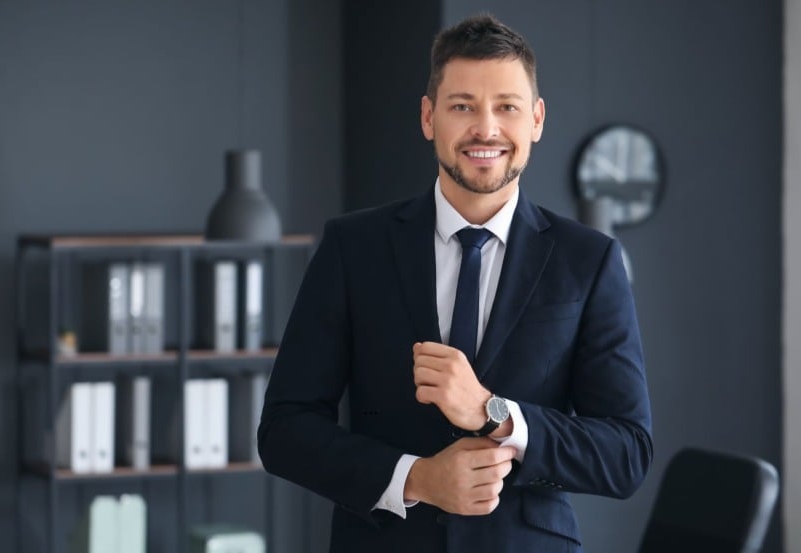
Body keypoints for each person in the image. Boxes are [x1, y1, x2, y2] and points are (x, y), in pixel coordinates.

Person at [258, 13, 652, 553]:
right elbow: (284, 429)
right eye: (462, 106)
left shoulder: (589, 259)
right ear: (429, 117)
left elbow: (626, 454)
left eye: (506, 107)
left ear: (536, 119)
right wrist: (416, 478)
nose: (485, 129)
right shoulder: (354, 247)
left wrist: (495, 412)